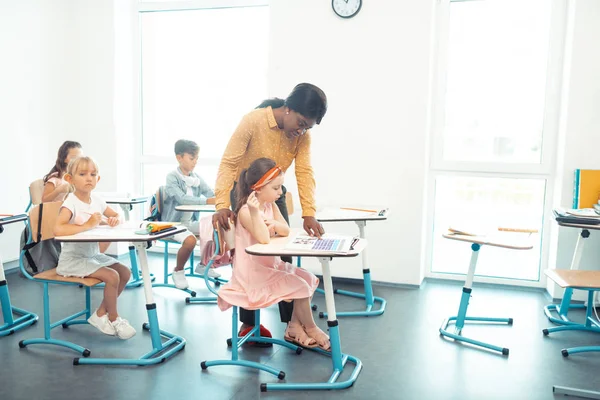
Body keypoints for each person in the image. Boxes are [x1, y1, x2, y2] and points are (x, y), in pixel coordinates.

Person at [212, 83, 328, 342]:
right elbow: (229, 162)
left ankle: (292, 324)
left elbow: (304, 172)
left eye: (307, 127)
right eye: (300, 123)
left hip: (274, 193)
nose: (301, 130)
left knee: (283, 251)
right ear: (287, 109)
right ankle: (248, 324)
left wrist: (309, 212)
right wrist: (221, 204)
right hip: (244, 193)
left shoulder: (302, 137)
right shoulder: (253, 121)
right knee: (248, 253)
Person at [217, 158, 330, 351]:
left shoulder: (271, 205)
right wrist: (254, 212)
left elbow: (285, 229)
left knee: (309, 279)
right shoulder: (246, 210)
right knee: (300, 286)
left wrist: (277, 225)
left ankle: (294, 327)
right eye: (276, 188)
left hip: (271, 266)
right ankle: (311, 328)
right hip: (252, 274)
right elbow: (262, 238)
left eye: (281, 187)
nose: (280, 192)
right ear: (259, 188)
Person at [54, 156, 136, 339]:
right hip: (72, 261)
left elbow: (117, 215)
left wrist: (115, 219)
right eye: (82, 174)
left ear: (98, 179)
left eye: (93, 174)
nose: (89, 178)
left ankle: (100, 314)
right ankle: (114, 318)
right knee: (112, 276)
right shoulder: (70, 202)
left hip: (92, 256)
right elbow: (58, 228)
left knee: (125, 272)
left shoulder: (97, 200)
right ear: (70, 179)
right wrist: (88, 225)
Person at [163, 139, 217, 289]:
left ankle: (203, 264)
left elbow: (210, 193)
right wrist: (207, 201)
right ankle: (178, 271)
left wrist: (220, 196)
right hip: (172, 224)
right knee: (190, 240)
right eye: (192, 158)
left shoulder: (196, 178)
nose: (195, 162)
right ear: (179, 158)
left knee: (215, 228)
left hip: (189, 223)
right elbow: (181, 199)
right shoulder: (172, 177)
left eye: (197, 158)